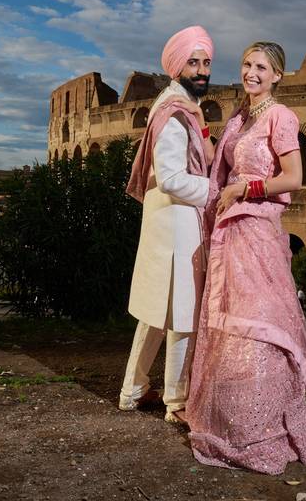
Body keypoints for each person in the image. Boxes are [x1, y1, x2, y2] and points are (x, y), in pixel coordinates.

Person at [186, 41, 306, 474]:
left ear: (277, 76)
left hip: (258, 227)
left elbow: (295, 178)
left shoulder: (281, 116)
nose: (252, 73)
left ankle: (261, 424)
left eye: (262, 67)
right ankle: (230, 421)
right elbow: (218, 169)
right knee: (230, 321)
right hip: (230, 230)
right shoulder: (240, 119)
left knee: (259, 319)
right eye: (247, 64)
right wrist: (196, 123)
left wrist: (246, 188)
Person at [119, 25, 216, 424]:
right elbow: (174, 177)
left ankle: (133, 390)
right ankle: (175, 402)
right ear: (177, 66)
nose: (201, 70)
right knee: (182, 317)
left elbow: (201, 151)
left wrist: (203, 123)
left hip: (168, 223)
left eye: (206, 62)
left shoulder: (181, 107)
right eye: (193, 62)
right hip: (177, 225)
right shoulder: (174, 115)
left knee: (156, 314)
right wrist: (216, 190)